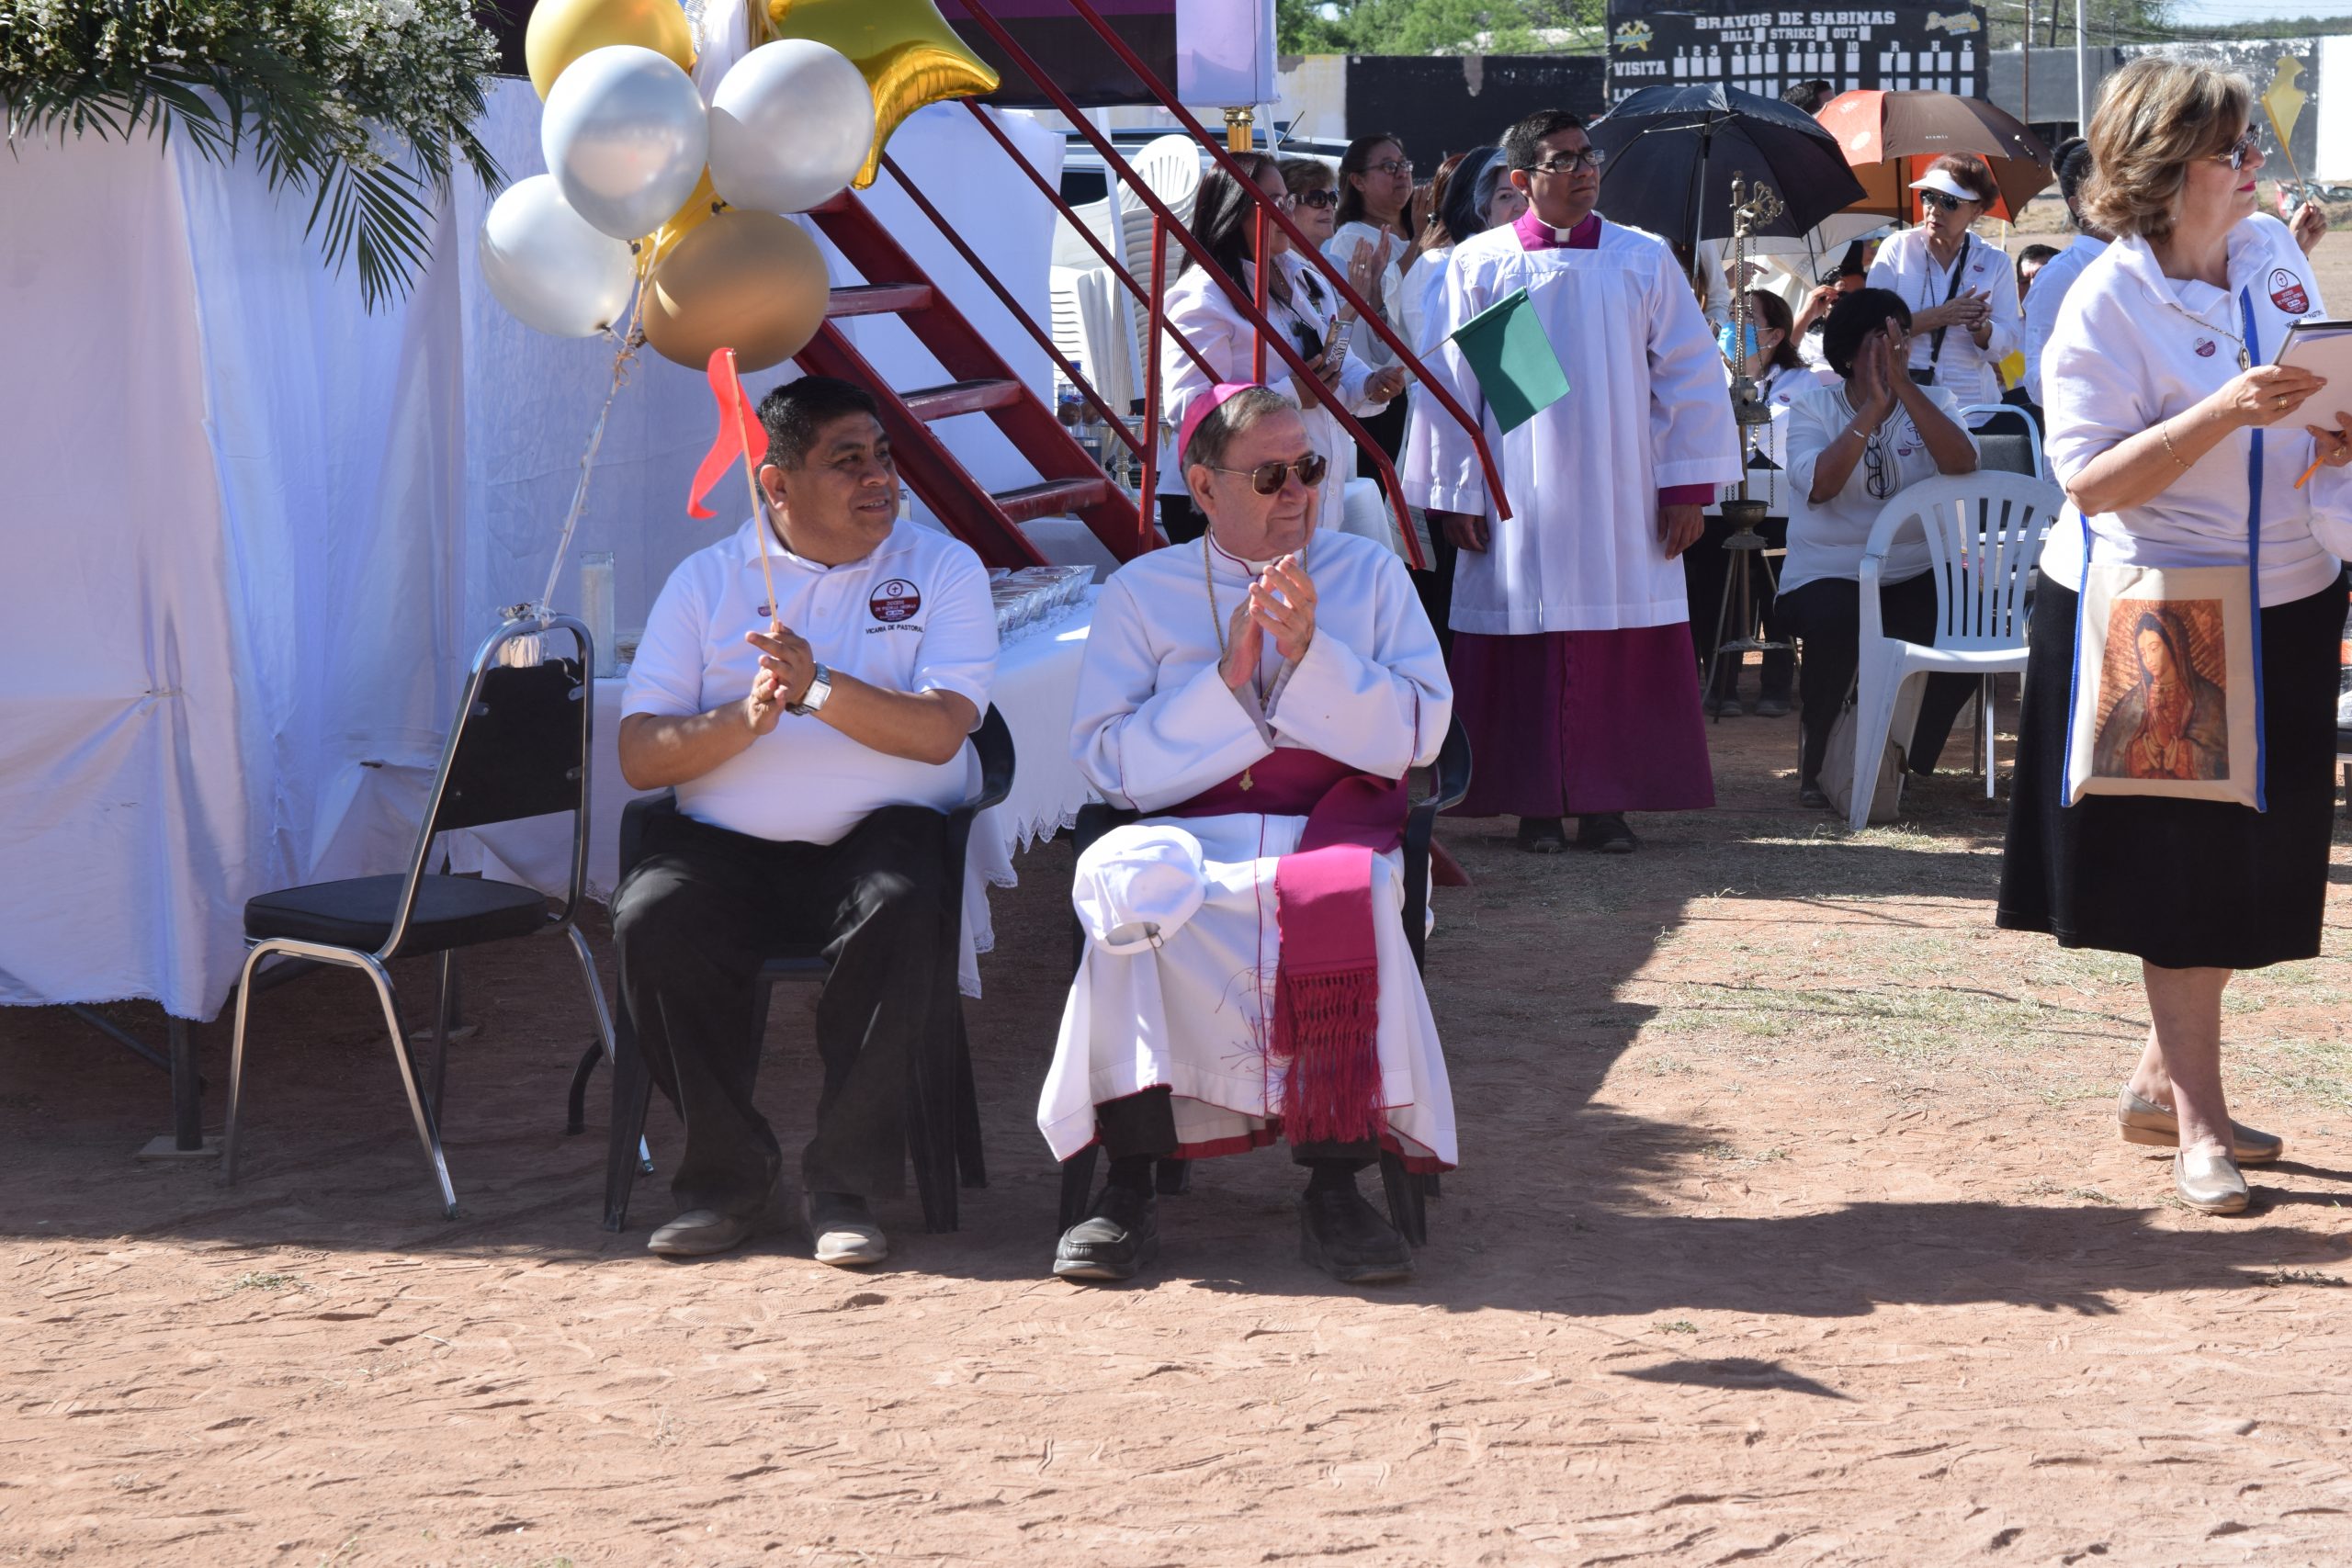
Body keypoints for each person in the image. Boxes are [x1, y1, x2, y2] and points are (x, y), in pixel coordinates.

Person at [1996, 55, 2352, 1215]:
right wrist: (2220, 411)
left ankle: (2162, 1080)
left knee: (2248, 862)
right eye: (2232, 149)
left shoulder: (2274, 259)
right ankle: (2197, 1122)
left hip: (2289, 592)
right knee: (2182, 865)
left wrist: (2331, 435)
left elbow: (2300, 397)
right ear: (2162, 167)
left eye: (2254, 145)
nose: (2255, 165)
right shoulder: (2103, 296)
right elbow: (2090, 482)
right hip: (2160, 610)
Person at [1041, 383, 1454, 1287]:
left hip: (1328, 829)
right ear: (1203, 484)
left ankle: (1337, 1187)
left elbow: (1423, 734)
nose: (1297, 491)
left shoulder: (1369, 575)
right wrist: (1226, 680)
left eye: (1307, 468)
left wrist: (1313, 658)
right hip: (1184, 830)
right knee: (1134, 896)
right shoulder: (1140, 591)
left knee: (1344, 897)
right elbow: (1106, 763)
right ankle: (1131, 1179)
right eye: (1268, 476)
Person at [612, 377, 998, 1262]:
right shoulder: (706, 583)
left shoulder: (942, 568)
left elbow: (941, 731)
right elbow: (640, 753)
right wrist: (743, 721)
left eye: (884, 456)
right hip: (724, 850)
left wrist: (817, 688)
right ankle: (729, 1182)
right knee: (650, 918)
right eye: (847, 461)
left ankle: (845, 1184)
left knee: (905, 905)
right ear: (776, 485)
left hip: (881, 840)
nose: (879, 479)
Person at [1408, 108, 1742, 855]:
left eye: (1590, 157)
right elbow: (1451, 386)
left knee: (1617, 639)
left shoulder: (1643, 257)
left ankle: (1605, 803)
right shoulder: (1481, 263)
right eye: (1565, 160)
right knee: (1523, 635)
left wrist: (1685, 489)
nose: (1586, 169)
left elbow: (1688, 376)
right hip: (1519, 492)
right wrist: (1459, 494)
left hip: (1623, 490)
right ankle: (1532, 802)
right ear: (1523, 179)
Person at [1774, 289, 1982, 807]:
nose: (1896, 346)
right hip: (1829, 570)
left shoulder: (1935, 400)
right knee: (1838, 622)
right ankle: (1821, 761)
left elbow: (1963, 464)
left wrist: (1905, 389)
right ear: (1847, 352)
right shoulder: (1812, 407)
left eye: (1902, 335)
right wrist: (1871, 409)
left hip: (1913, 569)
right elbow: (1820, 485)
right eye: (1881, 338)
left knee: (1970, 630)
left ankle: (1902, 759)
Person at [1159, 153, 1407, 545]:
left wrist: (1368, 384)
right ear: (1234, 208)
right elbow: (1190, 407)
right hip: (1231, 497)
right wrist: (1290, 396)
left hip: (1298, 485)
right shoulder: (1202, 294)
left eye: (1287, 200)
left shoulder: (1302, 273)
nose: (1285, 211)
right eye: (1272, 202)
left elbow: (1332, 355)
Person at [1689, 289, 1821, 717]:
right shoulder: (1707, 374)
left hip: (1776, 504)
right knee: (1711, 584)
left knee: (1775, 590)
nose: (1733, 328)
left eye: (1746, 320)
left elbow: (1787, 438)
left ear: (1776, 333)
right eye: (1730, 319)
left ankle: (1776, 686)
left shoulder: (1800, 382)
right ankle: (1721, 684)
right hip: (1718, 503)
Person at [1866, 154, 2021, 409]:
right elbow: (1871, 330)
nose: (1934, 209)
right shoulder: (1897, 248)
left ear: (1977, 210)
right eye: (1928, 196)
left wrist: (1981, 329)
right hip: (1903, 405)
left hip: (1973, 407)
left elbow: (2005, 346)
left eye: (1949, 201)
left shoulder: (1995, 261)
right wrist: (1941, 316)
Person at [1327, 133, 1425, 479]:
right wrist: (1420, 241)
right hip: (1381, 393)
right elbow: (1381, 319)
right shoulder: (1353, 238)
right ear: (1358, 181)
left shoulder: (1417, 226)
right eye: (1388, 167)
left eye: (1404, 165)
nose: (1401, 174)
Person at [2021, 139, 2111, 409]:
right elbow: (2039, 383)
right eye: (2111, 187)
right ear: (2078, 205)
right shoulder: (2061, 275)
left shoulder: (2152, 259)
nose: (2130, 195)